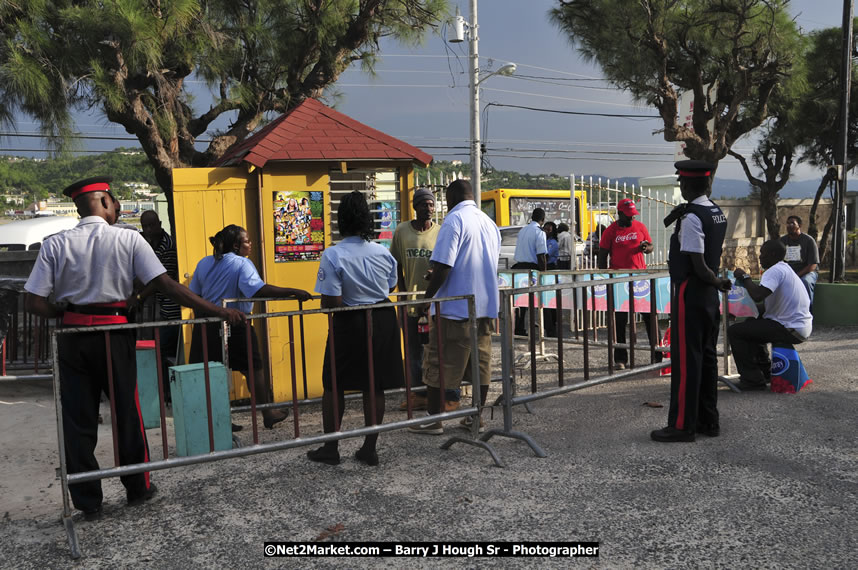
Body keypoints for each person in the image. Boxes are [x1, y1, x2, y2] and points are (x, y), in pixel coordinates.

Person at [24, 176, 244, 521]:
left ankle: (87, 501)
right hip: (114, 334)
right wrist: (218, 310)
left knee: (77, 418)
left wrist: (64, 313)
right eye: (115, 203)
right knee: (127, 412)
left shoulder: (55, 244)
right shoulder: (128, 240)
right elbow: (166, 286)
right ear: (106, 202)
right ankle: (137, 489)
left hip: (71, 337)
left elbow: (35, 302)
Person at [307, 191, 404, 466]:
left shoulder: (333, 255)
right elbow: (390, 286)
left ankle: (331, 447)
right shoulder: (383, 253)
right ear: (367, 221)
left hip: (349, 320)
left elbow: (332, 301)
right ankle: (369, 447)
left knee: (334, 384)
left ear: (341, 221)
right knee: (375, 385)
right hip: (383, 318)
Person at [188, 224, 311, 430]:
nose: (251, 244)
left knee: (213, 374)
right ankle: (267, 412)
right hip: (235, 323)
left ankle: (219, 421)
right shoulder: (242, 264)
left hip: (207, 325)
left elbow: (195, 294)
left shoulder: (204, 263)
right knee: (254, 369)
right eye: (247, 241)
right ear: (236, 245)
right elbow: (258, 290)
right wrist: (292, 291)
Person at [408, 179, 501, 435]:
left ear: (450, 198)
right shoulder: (488, 223)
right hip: (484, 307)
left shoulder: (454, 220)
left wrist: (426, 300)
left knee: (438, 363)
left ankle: (433, 419)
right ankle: (476, 417)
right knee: (480, 365)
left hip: (455, 308)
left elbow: (444, 266)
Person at [651, 161, 731, 443]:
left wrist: (714, 281)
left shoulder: (692, 217)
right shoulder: (716, 212)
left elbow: (697, 264)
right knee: (707, 357)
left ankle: (682, 426)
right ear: (707, 185)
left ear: (685, 186)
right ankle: (708, 420)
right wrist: (717, 283)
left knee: (686, 361)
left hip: (693, 292)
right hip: (709, 297)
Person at [389, 188, 459, 413]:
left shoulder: (441, 232)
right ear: (415, 207)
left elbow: (446, 264)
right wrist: (402, 296)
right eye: (424, 205)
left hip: (435, 304)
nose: (428, 209)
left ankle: (446, 395)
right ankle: (419, 394)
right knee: (413, 352)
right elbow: (396, 265)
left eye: (431, 205)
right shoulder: (401, 231)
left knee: (439, 351)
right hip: (410, 304)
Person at [728, 240, 812, 391]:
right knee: (752, 322)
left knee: (735, 332)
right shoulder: (784, 269)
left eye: (763, 254)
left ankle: (752, 380)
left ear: (773, 255)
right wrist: (739, 311)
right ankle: (765, 372)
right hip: (799, 326)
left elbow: (758, 295)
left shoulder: (774, 271)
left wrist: (745, 277)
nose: (760, 258)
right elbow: (765, 306)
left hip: (790, 328)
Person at [597, 198, 660, 369]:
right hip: (619, 280)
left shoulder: (640, 227)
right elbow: (602, 256)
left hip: (641, 279)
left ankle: (657, 356)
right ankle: (621, 359)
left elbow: (651, 246)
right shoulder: (610, 231)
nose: (632, 218)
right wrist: (604, 277)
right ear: (619, 214)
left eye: (633, 215)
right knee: (620, 320)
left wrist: (647, 248)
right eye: (628, 215)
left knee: (650, 317)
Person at [138, 210, 181, 402]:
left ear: (159, 223)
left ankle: (167, 393)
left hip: (169, 308)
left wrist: (138, 296)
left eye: (151, 225)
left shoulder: (167, 245)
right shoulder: (148, 243)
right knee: (155, 350)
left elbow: (160, 280)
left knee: (164, 350)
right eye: (145, 226)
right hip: (157, 307)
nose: (147, 229)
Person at [512, 207, 547, 336]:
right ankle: (535, 326)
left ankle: (520, 328)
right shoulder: (539, 232)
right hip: (531, 269)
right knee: (534, 300)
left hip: (518, 268)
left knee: (521, 301)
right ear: (542, 220)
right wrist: (544, 274)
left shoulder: (523, 230)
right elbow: (541, 255)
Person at [779, 215, 819, 307]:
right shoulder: (782, 241)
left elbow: (812, 265)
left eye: (792, 223)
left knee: (805, 282)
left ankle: (808, 314)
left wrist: (796, 276)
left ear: (799, 225)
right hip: (788, 273)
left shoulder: (809, 241)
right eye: (788, 223)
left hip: (807, 272)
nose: (789, 225)